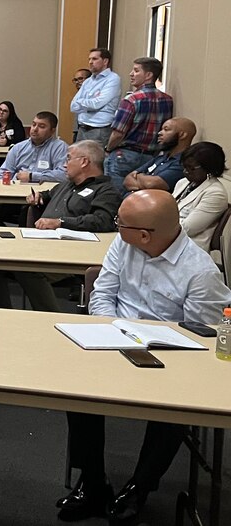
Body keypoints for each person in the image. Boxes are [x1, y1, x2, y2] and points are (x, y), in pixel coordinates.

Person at [56, 190, 231, 524]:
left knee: (176, 406)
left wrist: (150, 346)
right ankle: (93, 482)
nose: (116, 225)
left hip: (172, 357)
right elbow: (103, 293)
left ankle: (141, 486)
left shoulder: (201, 273)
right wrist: (111, 330)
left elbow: (201, 334)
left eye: (121, 222)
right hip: (115, 338)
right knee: (77, 390)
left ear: (145, 234)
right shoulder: (125, 243)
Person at [0, 140, 120, 312]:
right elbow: (47, 194)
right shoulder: (66, 185)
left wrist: (60, 222)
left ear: (84, 162)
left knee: (27, 268)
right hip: (41, 245)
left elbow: (102, 220)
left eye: (68, 159)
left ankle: (50, 317)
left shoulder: (105, 190)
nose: (64, 164)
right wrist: (39, 196)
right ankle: (1, 313)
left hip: (72, 253)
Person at [0, 111, 68, 227]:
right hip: (14, 195)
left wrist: (31, 176)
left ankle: (22, 240)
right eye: (34, 124)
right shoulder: (19, 147)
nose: (35, 129)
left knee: (28, 211)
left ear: (52, 130)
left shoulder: (60, 147)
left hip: (40, 198)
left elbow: (64, 175)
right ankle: (7, 237)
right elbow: (4, 172)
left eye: (41, 126)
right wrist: (11, 183)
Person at [105, 57, 174, 195]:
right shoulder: (167, 99)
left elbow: (118, 133)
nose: (131, 74)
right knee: (139, 197)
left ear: (148, 75)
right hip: (151, 157)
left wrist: (108, 148)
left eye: (136, 71)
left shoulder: (131, 100)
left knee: (114, 196)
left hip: (125, 155)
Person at [172, 141, 229, 254]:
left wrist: (156, 224)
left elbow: (187, 229)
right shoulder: (183, 183)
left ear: (209, 168)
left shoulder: (216, 193)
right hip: (167, 237)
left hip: (188, 247)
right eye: (184, 166)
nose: (185, 171)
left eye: (191, 168)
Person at [121, 117, 194, 193]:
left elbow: (152, 184)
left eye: (166, 129)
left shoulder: (183, 162)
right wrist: (145, 182)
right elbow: (127, 179)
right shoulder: (161, 158)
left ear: (182, 135)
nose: (159, 133)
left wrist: (139, 176)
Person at [70, 48, 121, 146]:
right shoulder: (88, 81)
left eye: (94, 59)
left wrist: (82, 102)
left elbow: (97, 104)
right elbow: (73, 106)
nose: (90, 62)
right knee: (78, 158)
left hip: (100, 129)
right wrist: (90, 102)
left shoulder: (113, 79)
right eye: (89, 59)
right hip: (82, 128)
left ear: (105, 61)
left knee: (96, 160)